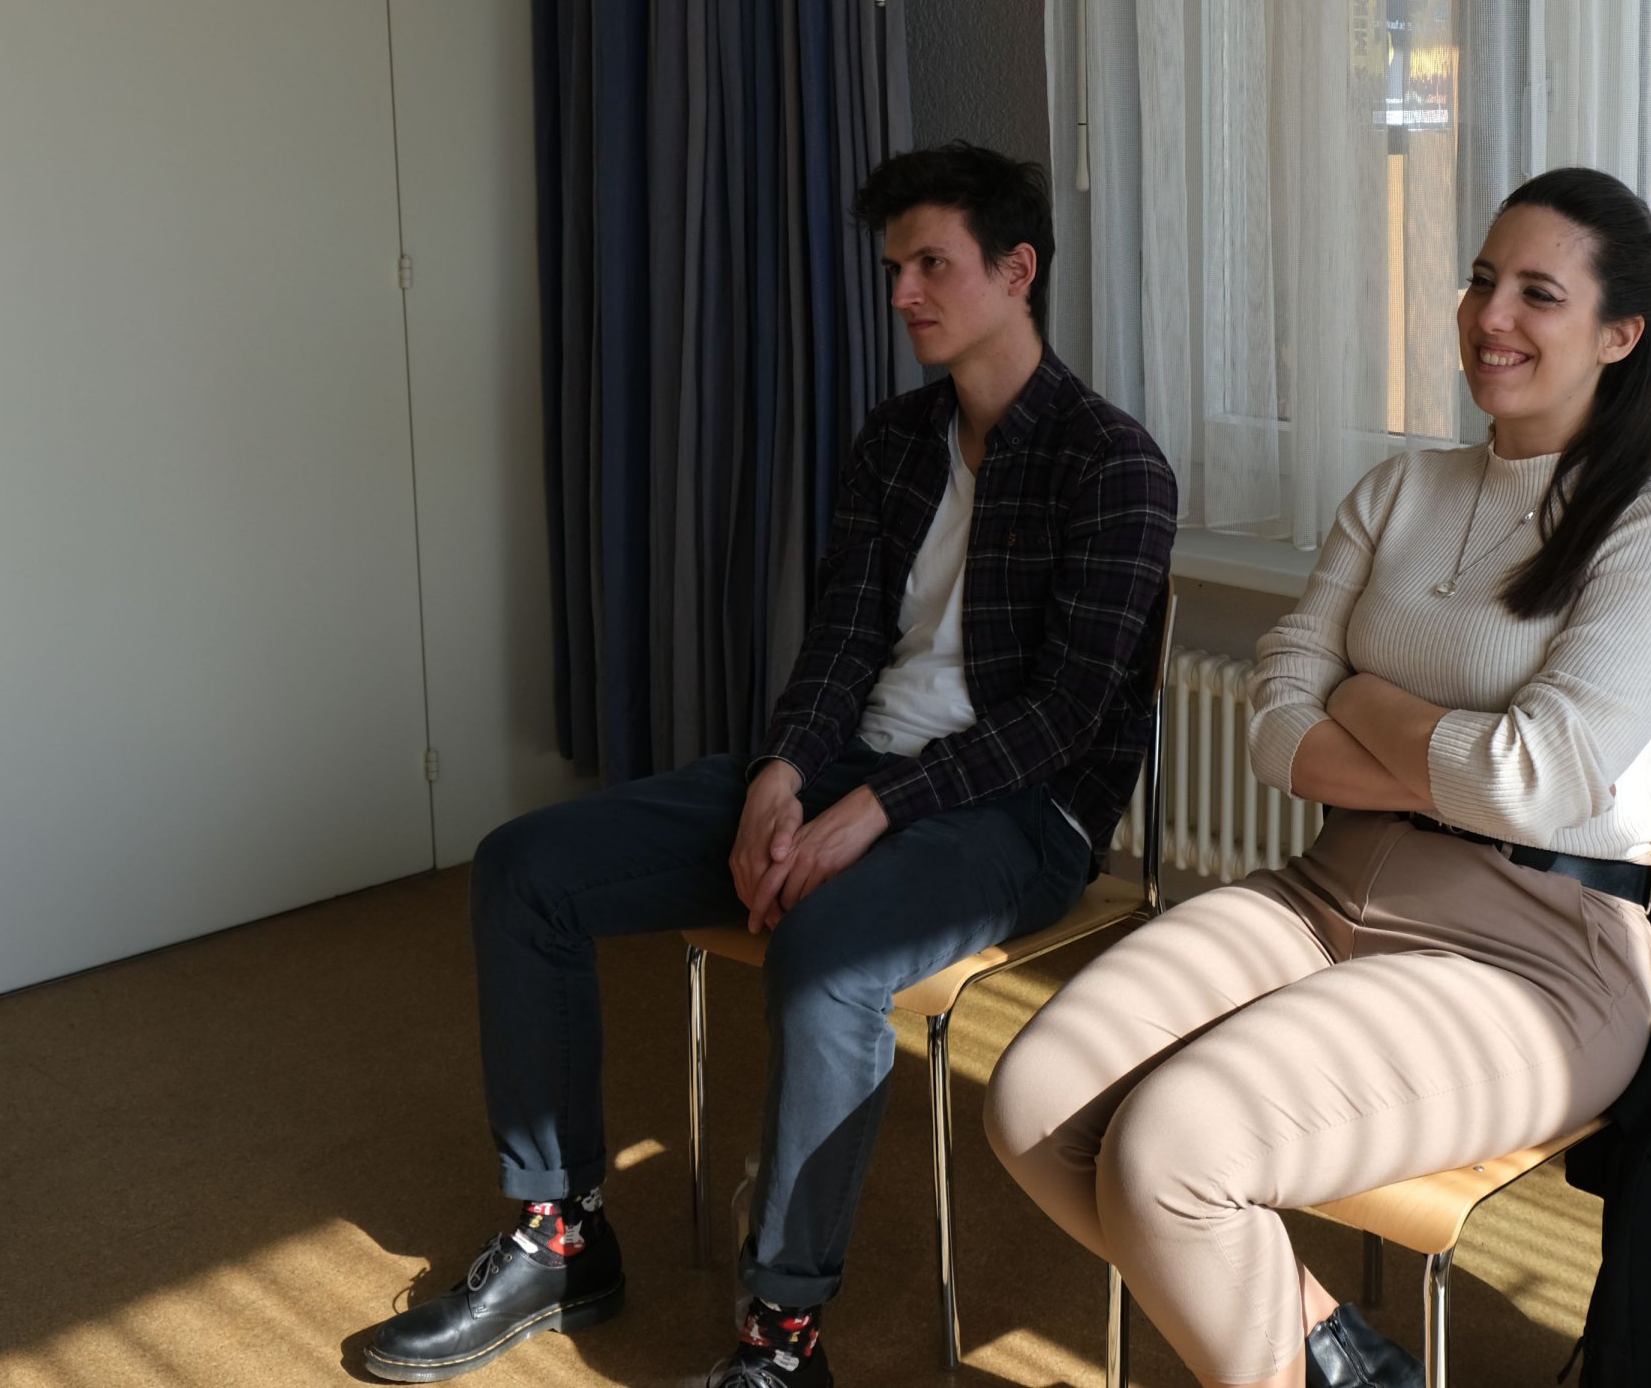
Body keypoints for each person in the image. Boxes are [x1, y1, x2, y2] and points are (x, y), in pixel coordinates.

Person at [361, 143, 1178, 1387]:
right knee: (526, 867)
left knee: (827, 956)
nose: (903, 292)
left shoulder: (1113, 464)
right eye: (894, 267)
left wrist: (878, 807)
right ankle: (561, 1237)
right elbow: (843, 637)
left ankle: (783, 1339)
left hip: (1018, 814)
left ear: (1018, 271)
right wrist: (784, 773)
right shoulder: (895, 441)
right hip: (857, 764)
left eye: (932, 264)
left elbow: (1064, 716)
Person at [985, 166, 1651, 1388]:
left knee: (1171, 1151)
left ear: (1619, 334)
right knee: (1036, 1101)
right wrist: (1450, 758)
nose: (1490, 316)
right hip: (1326, 892)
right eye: (1481, 279)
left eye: (1538, 293)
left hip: (1537, 958)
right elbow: (1277, 730)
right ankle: (1343, 1357)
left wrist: (1367, 701)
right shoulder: (1400, 489)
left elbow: (1535, 785)